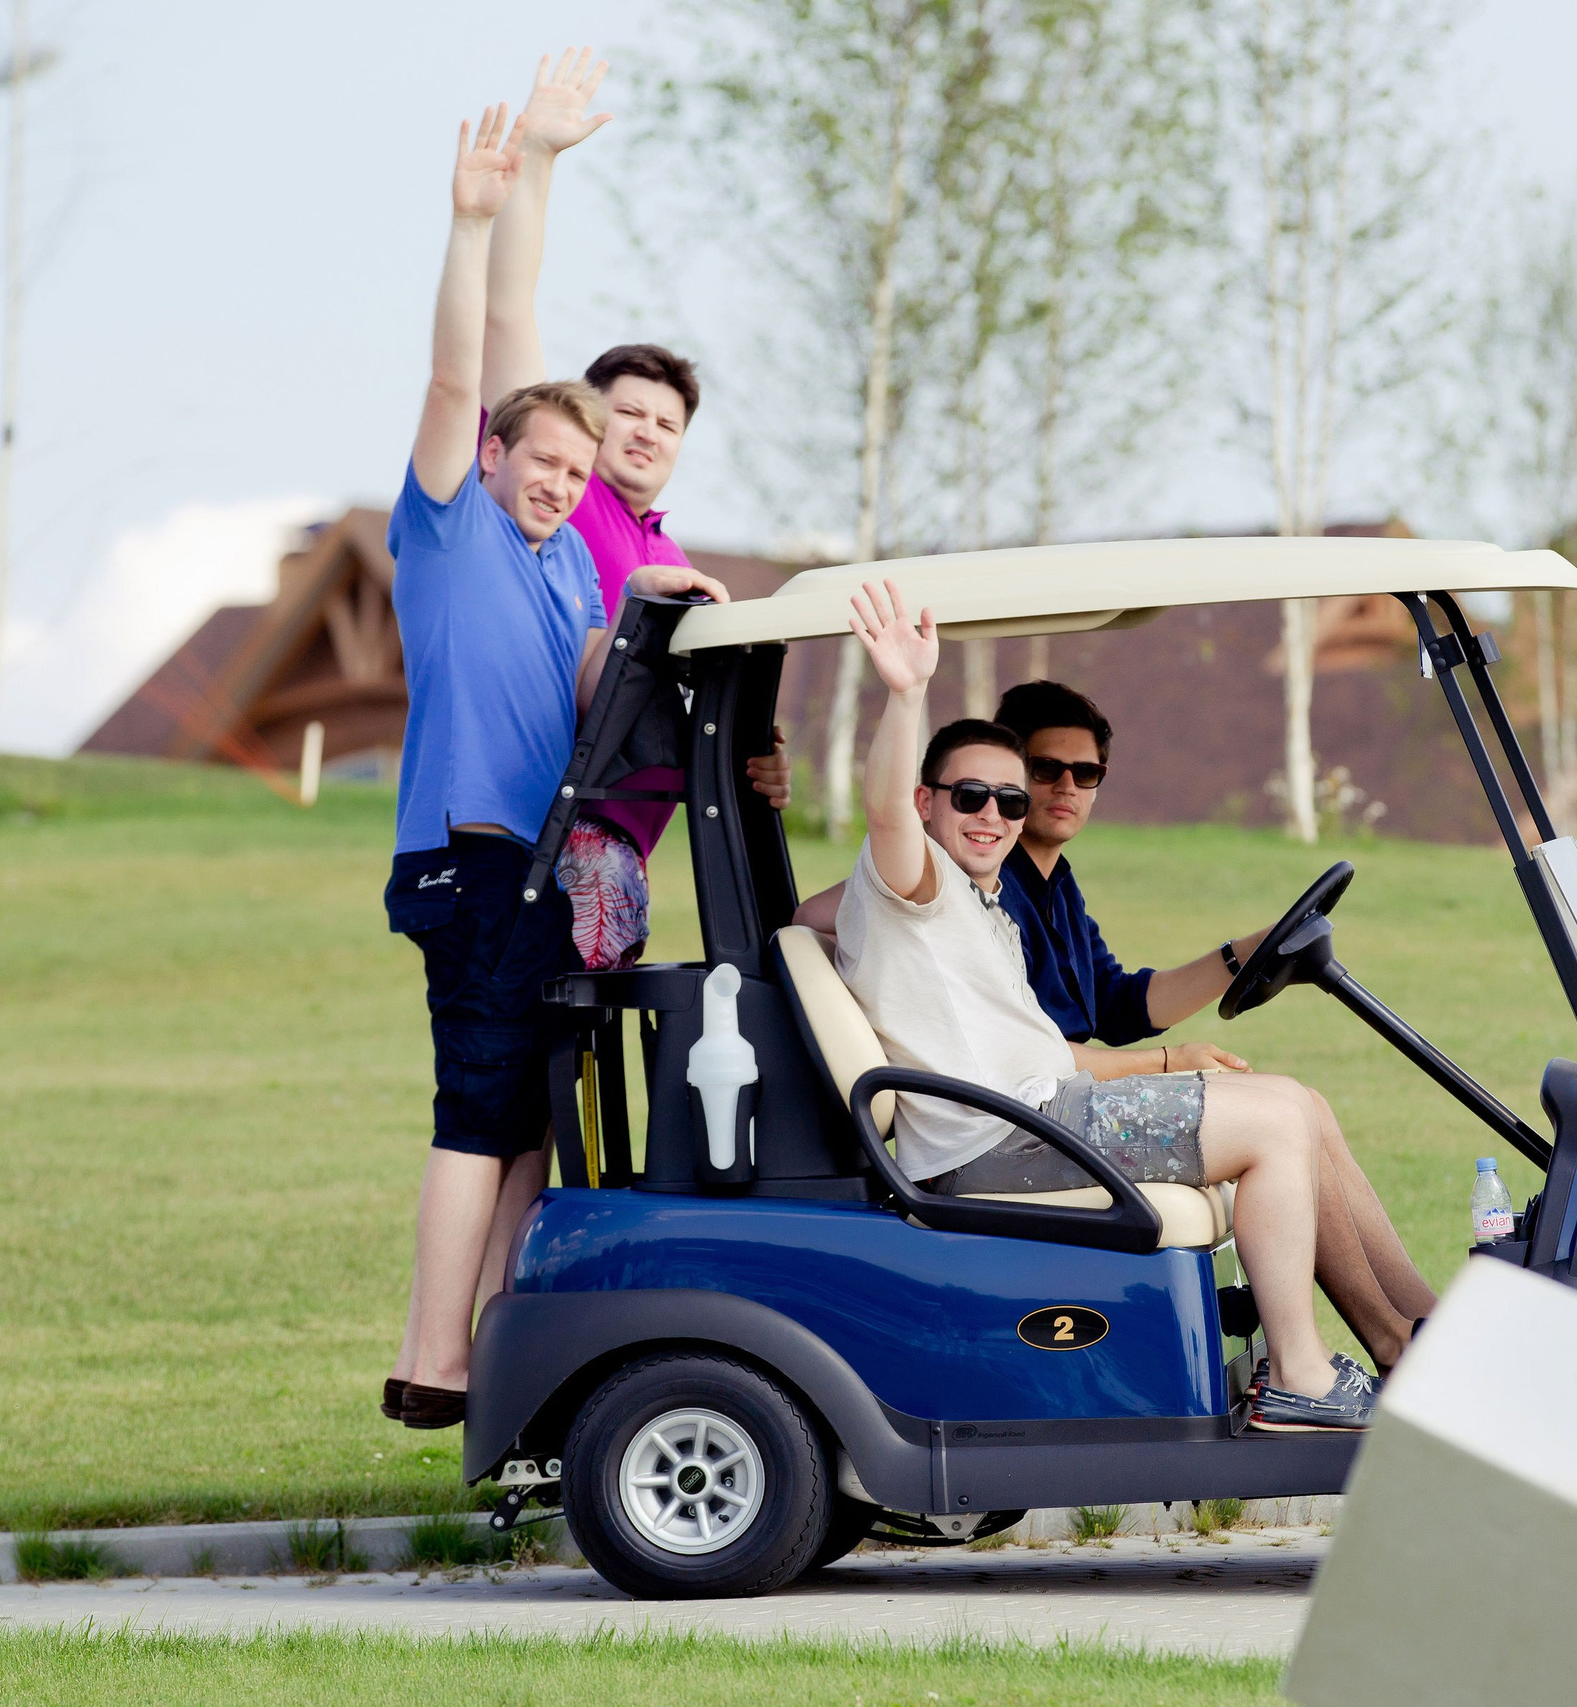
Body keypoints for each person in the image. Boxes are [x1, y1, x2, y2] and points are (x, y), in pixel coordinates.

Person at [833, 580, 1435, 1430]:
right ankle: (1302, 1374)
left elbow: (1070, 1027)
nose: (997, 814)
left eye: (1011, 800)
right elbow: (885, 813)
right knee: (1272, 1128)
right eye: (972, 795)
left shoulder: (982, 902)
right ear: (930, 801)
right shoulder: (916, 880)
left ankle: (1417, 1327)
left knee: (1293, 1102)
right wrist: (906, 691)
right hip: (1000, 1136)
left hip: (1033, 1112)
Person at [378, 101, 752, 1432]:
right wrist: (491, 203)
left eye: (581, 461)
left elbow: (601, 671)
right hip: (477, 854)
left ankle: (500, 1346)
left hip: (548, 866)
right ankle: (433, 1362)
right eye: (544, 456)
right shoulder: (454, 530)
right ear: (494, 456)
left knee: (539, 1121)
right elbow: (470, 366)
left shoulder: (565, 563)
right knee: (480, 1112)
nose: (562, 477)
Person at [475, 50, 784, 903]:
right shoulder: (559, 504)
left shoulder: (676, 557)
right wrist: (535, 161)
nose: (647, 432)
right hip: (549, 835)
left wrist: (752, 761)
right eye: (629, 413)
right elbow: (508, 313)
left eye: (668, 422)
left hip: (629, 855)